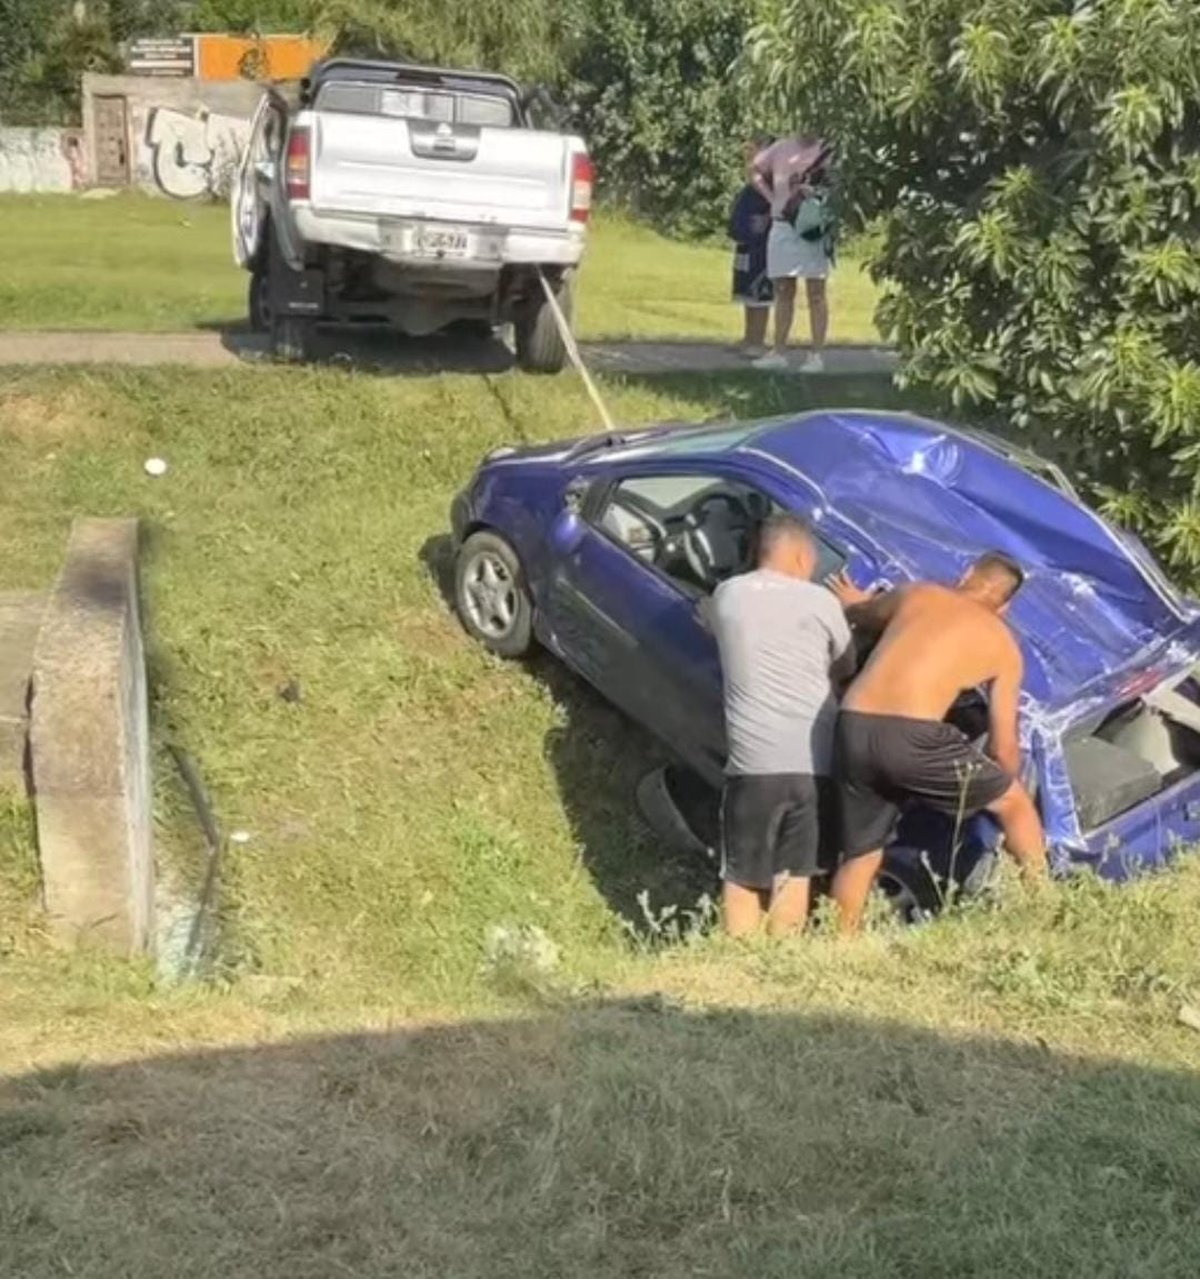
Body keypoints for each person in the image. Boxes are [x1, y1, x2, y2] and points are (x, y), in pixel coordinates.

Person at [826, 553, 1049, 935]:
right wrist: (1001, 784)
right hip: (913, 735)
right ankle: (1045, 910)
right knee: (1016, 806)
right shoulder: (1003, 645)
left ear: (967, 574)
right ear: (1005, 606)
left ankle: (839, 941)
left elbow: (864, 613)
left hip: (853, 724)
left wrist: (854, 601)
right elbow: (1003, 747)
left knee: (861, 854)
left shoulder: (918, 594)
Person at [706, 514, 856, 936]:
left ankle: (739, 961)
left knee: (743, 878)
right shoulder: (821, 602)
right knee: (795, 874)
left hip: (754, 768)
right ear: (801, 556)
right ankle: (783, 959)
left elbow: (716, 628)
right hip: (814, 766)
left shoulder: (728, 594)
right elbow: (846, 665)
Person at [749, 133, 836, 374]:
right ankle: (779, 351)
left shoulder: (828, 150)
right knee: (783, 290)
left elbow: (840, 185)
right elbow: (755, 170)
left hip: (813, 226)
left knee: (816, 292)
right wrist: (772, 198)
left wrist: (820, 194)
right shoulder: (781, 148)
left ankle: (816, 355)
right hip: (783, 223)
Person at [727, 135, 775, 357]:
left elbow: (780, 202)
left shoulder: (771, 179)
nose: (749, 154)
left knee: (760, 291)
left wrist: (768, 217)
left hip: (761, 244)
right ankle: (749, 337)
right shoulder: (755, 177)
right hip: (746, 242)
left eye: (755, 150)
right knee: (747, 291)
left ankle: (758, 341)